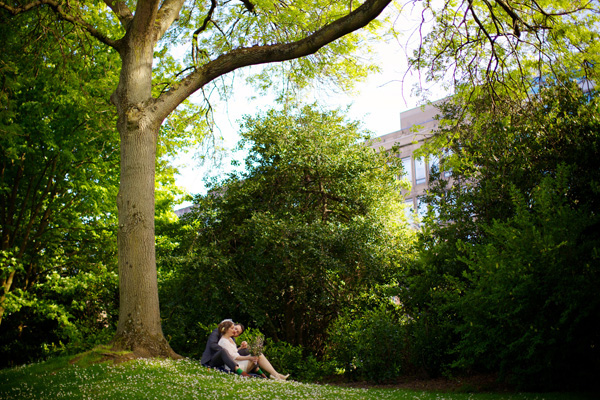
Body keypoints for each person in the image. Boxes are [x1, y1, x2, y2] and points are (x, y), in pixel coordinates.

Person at [217, 320, 290, 380]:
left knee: (258, 354)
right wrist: (249, 357)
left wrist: (240, 348)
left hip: (239, 363)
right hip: (235, 366)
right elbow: (234, 357)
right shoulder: (224, 341)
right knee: (258, 355)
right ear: (227, 329)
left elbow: (233, 352)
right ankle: (276, 375)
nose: (234, 330)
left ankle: (276, 375)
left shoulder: (229, 339)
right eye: (232, 328)